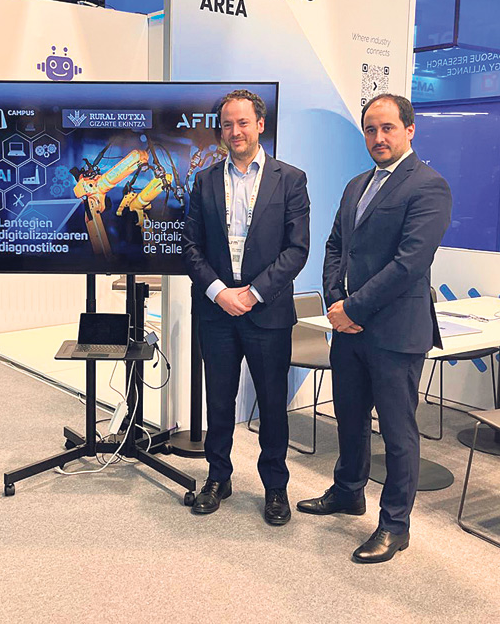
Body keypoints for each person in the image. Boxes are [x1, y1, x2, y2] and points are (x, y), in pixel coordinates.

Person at [298, 93, 451, 563]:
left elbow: (409, 264)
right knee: (349, 418)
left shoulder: (429, 186)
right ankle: (348, 491)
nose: (378, 137)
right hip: (349, 331)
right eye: (370, 129)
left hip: (394, 333)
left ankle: (395, 525)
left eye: (387, 128)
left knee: (398, 433)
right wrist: (335, 300)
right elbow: (335, 246)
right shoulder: (356, 185)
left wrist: (354, 308)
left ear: (409, 129)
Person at [183, 89, 310, 525]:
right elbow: (190, 247)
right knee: (219, 401)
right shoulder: (204, 181)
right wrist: (220, 292)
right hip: (217, 312)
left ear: (260, 125)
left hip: (267, 312)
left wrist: (253, 293)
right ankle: (218, 477)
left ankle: (275, 487)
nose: (234, 131)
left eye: (242, 123)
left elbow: (296, 250)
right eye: (227, 124)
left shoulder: (290, 179)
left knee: (272, 404)